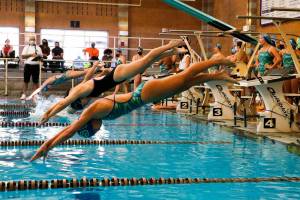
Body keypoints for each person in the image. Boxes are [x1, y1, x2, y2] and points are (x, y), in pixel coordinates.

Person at [30, 57, 237, 161]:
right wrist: (48, 147)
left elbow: (69, 130)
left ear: (91, 125)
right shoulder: (93, 112)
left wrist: (47, 147)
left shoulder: (91, 112)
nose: (98, 130)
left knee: (185, 76)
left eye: (94, 131)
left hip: (145, 94)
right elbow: (72, 129)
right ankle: (216, 75)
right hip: (145, 95)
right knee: (186, 84)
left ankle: (219, 60)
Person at [40, 40, 185, 124]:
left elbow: (63, 103)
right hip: (118, 77)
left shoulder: (77, 91)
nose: (83, 105)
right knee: (148, 62)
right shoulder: (87, 95)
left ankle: (171, 44)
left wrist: (47, 115)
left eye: (80, 104)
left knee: (146, 60)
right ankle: (175, 51)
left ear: (77, 99)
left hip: (118, 74)